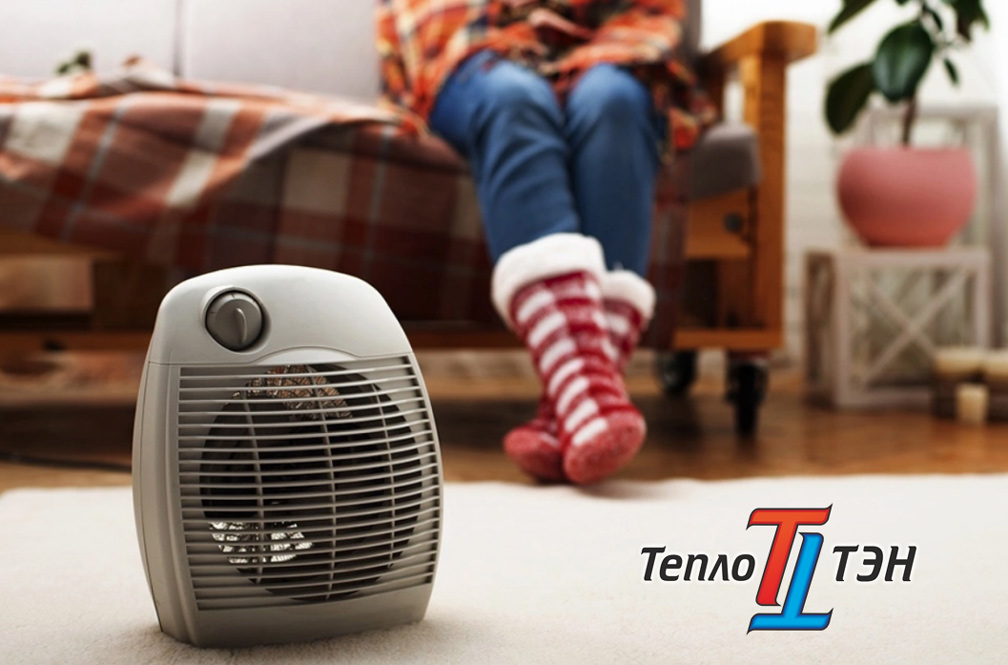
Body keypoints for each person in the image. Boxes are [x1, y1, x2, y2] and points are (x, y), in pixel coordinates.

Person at [376, 0, 713, 484]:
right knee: (513, 98)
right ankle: (590, 398)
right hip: (469, 47)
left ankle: (571, 408)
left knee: (614, 101)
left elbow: (649, 17)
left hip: (604, 46)